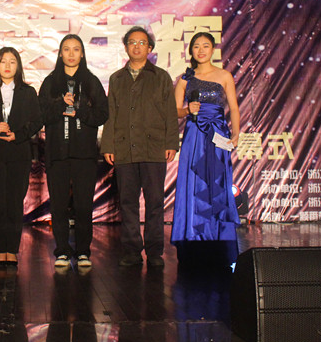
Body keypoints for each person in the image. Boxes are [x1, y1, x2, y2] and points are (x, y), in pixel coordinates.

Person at [101, 26, 179, 267]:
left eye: (142, 42)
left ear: (150, 48)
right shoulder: (117, 78)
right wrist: (108, 145)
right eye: (132, 42)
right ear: (126, 47)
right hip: (124, 149)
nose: (137, 46)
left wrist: (171, 143)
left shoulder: (161, 77)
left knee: (155, 202)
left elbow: (170, 113)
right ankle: (132, 250)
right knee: (128, 203)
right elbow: (111, 115)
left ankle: (155, 252)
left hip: (154, 148)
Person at [39, 34, 108, 269]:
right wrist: (60, 105)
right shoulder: (50, 82)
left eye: (76, 49)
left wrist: (80, 110)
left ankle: (83, 251)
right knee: (58, 205)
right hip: (57, 152)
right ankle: (61, 250)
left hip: (84, 153)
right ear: (60, 54)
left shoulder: (91, 81)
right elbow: (40, 114)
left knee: (83, 205)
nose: (71, 54)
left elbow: (102, 114)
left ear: (82, 54)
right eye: (66, 49)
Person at [171, 31, 240, 258]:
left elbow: (234, 107)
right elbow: (174, 111)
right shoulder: (185, 79)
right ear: (191, 51)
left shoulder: (224, 75)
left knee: (217, 182)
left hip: (218, 135)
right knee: (194, 182)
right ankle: (194, 236)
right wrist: (187, 110)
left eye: (206, 45)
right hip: (194, 135)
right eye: (196, 46)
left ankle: (219, 237)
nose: (201, 50)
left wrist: (236, 134)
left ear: (213, 49)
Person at [0, 47, 42, 266]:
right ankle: (0, 249)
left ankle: (11, 249)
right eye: (3, 61)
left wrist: (18, 135)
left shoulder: (28, 92)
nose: (7, 66)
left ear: (18, 66)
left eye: (12, 62)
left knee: (14, 202)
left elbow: (37, 121)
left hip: (18, 153)